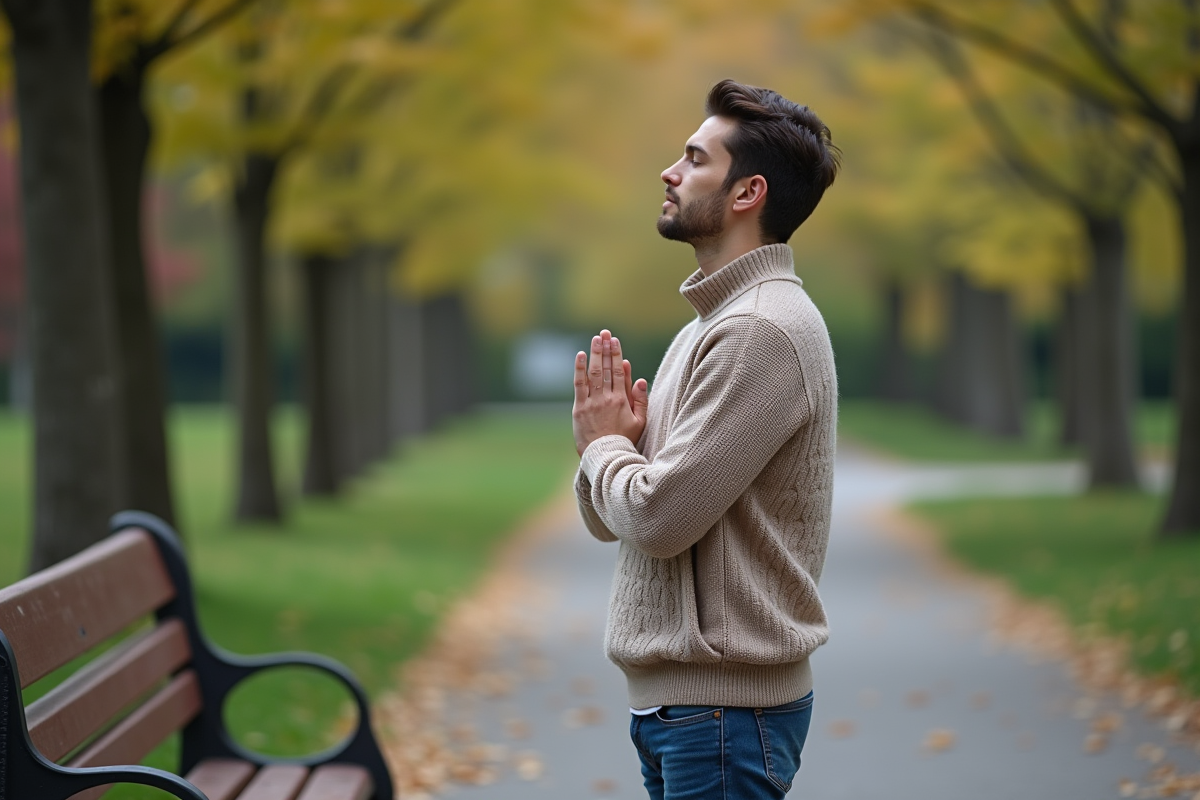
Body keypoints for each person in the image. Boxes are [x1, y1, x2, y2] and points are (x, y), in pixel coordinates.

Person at [569, 78, 841, 800]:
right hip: (688, 711)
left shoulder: (760, 331)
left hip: (724, 712)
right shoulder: (709, 325)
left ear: (748, 194)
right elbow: (613, 518)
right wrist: (608, 449)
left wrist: (604, 449)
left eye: (694, 159)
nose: (670, 171)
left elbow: (657, 519)